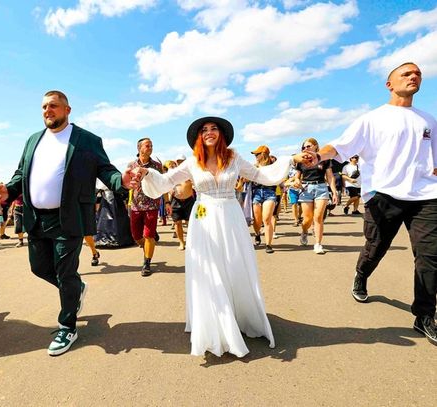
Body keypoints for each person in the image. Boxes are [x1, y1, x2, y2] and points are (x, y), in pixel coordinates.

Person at [132, 116, 312, 357]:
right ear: (198, 137)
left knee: (234, 265)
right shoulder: (193, 162)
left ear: (221, 134)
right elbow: (165, 182)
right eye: (204, 130)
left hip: (231, 218)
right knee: (210, 270)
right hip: (204, 219)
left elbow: (261, 175)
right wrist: (146, 173)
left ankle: (237, 316)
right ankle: (216, 324)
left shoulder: (234, 157)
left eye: (214, 128)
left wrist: (291, 159)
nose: (209, 132)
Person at [0, 90, 132, 356]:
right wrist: (7, 191)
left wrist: (120, 180)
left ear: (67, 110)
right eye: (44, 106)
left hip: (69, 216)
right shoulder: (33, 140)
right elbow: (20, 174)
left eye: (53, 105)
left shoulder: (87, 140)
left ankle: (67, 326)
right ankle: (75, 289)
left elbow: (105, 169)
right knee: (39, 268)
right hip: (36, 217)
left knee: (66, 273)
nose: (48, 110)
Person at [316, 62, 437, 345]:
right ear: (389, 84)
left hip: (425, 196)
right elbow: (340, 147)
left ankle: (424, 316)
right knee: (376, 247)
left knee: (430, 257)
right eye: (406, 73)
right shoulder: (372, 119)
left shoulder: (428, 121)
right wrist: (319, 156)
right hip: (383, 195)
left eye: (417, 74)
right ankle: (362, 274)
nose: (414, 76)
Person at [127, 138, 169, 276]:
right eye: (147, 145)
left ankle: (147, 263)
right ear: (139, 148)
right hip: (136, 205)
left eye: (151, 145)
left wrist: (167, 202)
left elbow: (163, 184)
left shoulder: (157, 165)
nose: (150, 147)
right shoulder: (131, 165)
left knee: (149, 236)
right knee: (136, 236)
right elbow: (127, 183)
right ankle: (147, 243)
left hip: (152, 204)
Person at [295, 138, 338, 254]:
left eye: (308, 146)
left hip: (321, 188)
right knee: (307, 219)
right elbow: (297, 176)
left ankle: (318, 244)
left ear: (315, 146)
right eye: (304, 147)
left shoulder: (324, 158)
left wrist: (334, 192)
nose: (305, 148)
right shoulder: (301, 160)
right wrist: (297, 181)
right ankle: (304, 231)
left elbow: (330, 177)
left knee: (318, 217)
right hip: (306, 188)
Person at [250, 145, 278, 253]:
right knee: (257, 220)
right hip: (257, 192)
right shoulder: (254, 167)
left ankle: (268, 245)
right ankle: (257, 233)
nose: (255, 156)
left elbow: (280, 177)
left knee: (266, 219)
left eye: (257, 154)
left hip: (270, 192)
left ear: (263, 154)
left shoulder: (274, 167)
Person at [169, 155, 195, 250]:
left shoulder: (191, 172)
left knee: (190, 223)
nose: (180, 163)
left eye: (182, 161)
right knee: (177, 222)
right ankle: (181, 243)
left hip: (189, 200)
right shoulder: (173, 172)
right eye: (178, 161)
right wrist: (170, 191)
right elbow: (167, 184)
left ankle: (192, 242)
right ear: (176, 162)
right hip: (176, 200)